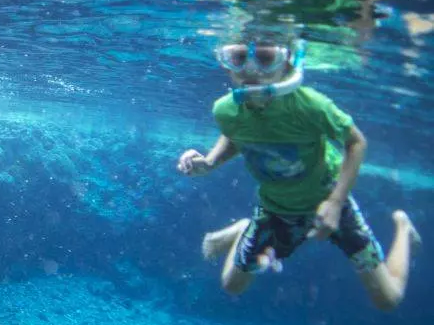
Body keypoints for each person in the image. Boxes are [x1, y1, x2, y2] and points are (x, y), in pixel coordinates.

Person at [178, 35, 418, 310]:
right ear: (226, 63)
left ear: (288, 63)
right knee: (232, 286)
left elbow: (356, 141)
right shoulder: (225, 109)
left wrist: (336, 202)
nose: (251, 70)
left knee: (387, 299)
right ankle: (244, 229)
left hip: (328, 199)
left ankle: (403, 225)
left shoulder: (310, 105)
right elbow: (235, 136)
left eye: (266, 59)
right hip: (275, 209)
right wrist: (208, 162)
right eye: (239, 58)